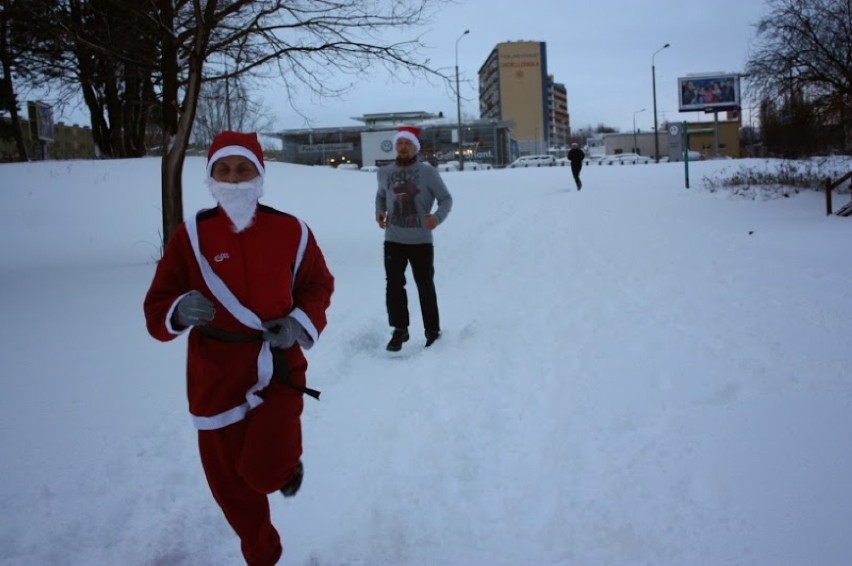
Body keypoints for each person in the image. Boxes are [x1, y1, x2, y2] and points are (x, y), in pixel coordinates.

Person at [143, 131, 334, 565]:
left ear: (259, 174)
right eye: (223, 170)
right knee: (230, 488)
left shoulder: (291, 231)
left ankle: (284, 467)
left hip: (279, 367)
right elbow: (156, 304)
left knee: (264, 470)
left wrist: (298, 322)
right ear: (211, 176)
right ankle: (263, 555)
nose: (233, 178)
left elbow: (318, 284)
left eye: (243, 168)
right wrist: (176, 309)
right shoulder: (190, 237)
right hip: (215, 375)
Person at [375, 124, 453, 352]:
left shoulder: (428, 172)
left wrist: (437, 218)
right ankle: (400, 330)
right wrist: (379, 211)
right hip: (393, 238)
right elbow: (381, 196)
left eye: (408, 143)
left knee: (424, 285)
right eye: (400, 142)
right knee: (394, 285)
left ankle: (432, 330)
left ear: (415, 147)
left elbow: (446, 199)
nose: (403, 146)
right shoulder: (384, 172)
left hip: (420, 240)